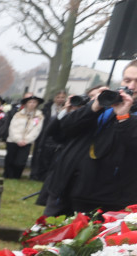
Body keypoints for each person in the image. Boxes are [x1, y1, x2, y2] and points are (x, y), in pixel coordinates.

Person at [43, 63, 137, 215]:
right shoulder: (107, 103)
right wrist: (94, 107)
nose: (131, 86)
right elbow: (65, 129)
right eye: (127, 80)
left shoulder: (126, 112)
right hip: (67, 186)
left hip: (107, 198)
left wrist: (124, 117)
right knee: (48, 235)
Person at [3, 94, 43, 179]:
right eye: (30, 102)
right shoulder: (18, 114)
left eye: (34, 102)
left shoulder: (39, 116)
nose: (32, 104)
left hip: (26, 142)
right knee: (10, 159)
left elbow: (36, 130)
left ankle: (17, 176)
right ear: (26, 103)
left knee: (20, 161)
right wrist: (18, 139)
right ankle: (8, 175)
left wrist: (26, 140)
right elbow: (12, 127)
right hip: (13, 140)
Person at [30, 89, 67, 181]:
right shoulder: (46, 109)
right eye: (58, 97)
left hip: (57, 137)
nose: (60, 99)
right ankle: (37, 175)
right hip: (44, 135)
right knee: (41, 157)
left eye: (62, 97)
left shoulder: (67, 109)